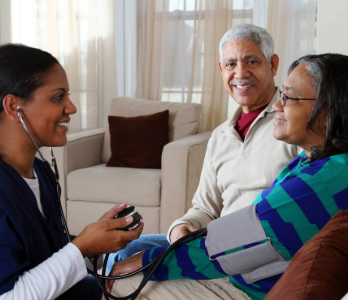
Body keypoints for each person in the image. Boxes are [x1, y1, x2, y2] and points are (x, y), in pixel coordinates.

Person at [106, 53, 348, 300]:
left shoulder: (319, 181)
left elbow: (226, 247)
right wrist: (181, 228)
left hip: (248, 282)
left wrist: (144, 263)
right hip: (242, 252)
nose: (277, 106)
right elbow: (210, 211)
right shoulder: (338, 160)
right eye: (229, 64)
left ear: (327, 111)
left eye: (289, 97)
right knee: (134, 250)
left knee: (123, 277)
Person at [106, 23, 299, 268]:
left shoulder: (294, 123)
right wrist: (180, 228)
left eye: (251, 61)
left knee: (131, 261)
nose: (240, 73)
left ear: (272, 65)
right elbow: (205, 208)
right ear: (221, 70)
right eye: (231, 64)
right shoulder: (220, 136)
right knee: (127, 250)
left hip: (259, 250)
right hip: (215, 242)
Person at [0, 44, 143, 300]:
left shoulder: (40, 170)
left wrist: (96, 244)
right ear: (13, 107)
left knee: (152, 258)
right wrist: (82, 248)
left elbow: (48, 259)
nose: (72, 108)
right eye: (58, 97)